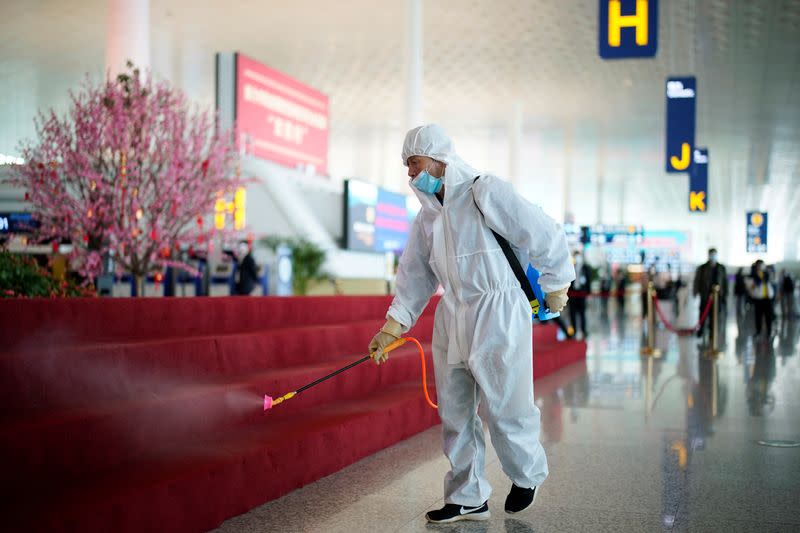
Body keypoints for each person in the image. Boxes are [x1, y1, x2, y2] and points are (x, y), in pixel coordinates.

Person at [368, 124, 574, 524]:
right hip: (454, 314)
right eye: (407, 166)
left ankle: (526, 474)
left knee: (507, 403)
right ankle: (467, 496)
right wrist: (393, 326)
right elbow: (414, 277)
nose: (410, 174)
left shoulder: (484, 191)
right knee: (455, 410)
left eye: (414, 163)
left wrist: (557, 284)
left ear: (438, 158)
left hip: (498, 310)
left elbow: (543, 232)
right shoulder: (427, 217)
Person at [693, 248, 727, 340]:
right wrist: (696, 291)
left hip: (717, 297)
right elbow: (697, 280)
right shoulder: (703, 268)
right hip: (705, 295)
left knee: (715, 315)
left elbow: (724, 282)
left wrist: (724, 295)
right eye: (711, 254)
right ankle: (701, 331)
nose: (713, 256)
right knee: (703, 313)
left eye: (714, 254)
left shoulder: (721, 268)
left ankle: (712, 333)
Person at [747, 260, 775, 337]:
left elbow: (773, 281)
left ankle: (769, 332)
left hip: (767, 298)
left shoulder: (767, 275)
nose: (760, 267)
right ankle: (758, 331)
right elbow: (750, 288)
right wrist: (757, 281)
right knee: (758, 316)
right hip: (758, 299)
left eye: (762, 265)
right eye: (759, 265)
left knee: (768, 316)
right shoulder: (753, 276)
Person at [569, 250, 591, 339]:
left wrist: (588, 292)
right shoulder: (571, 267)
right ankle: (573, 330)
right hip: (572, 293)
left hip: (581, 294)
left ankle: (583, 330)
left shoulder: (585, 268)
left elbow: (588, 280)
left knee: (582, 313)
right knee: (572, 313)